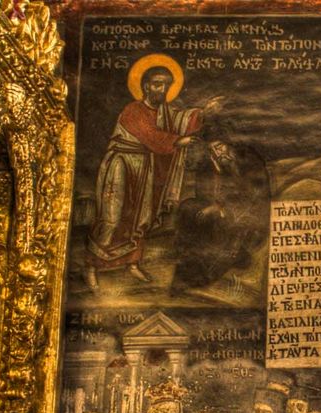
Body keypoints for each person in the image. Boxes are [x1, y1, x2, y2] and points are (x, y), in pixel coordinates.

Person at [85, 56, 223, 291]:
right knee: (112, 217)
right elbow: (150, 135)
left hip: (145, 168)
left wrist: (203, 113)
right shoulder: (133, 110)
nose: (162, 89)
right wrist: (178, 141)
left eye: (166, 85)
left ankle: (132, 263)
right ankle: (91, 267)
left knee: (140, 218)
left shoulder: (165, 112)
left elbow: (182, 120)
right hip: (121, 164)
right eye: (158, 84)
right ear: (146, 86)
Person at [170, 122, 269, 295]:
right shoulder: (211, 163)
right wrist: (216, 179)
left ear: (229, 143)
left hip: (247, 218)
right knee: (188, 207)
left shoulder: (248, 160)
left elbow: (255, 197)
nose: (217, 153)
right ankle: (186, 258)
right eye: (212, 150)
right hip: (220, 211)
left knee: (217, 227)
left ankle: (194, 278)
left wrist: (221, 208)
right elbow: (203, 194)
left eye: (219, 147)